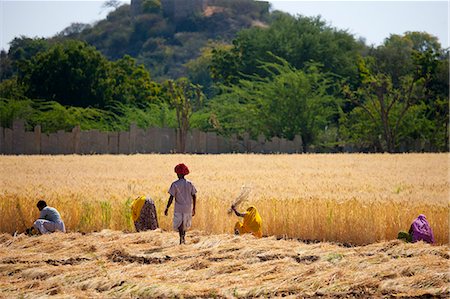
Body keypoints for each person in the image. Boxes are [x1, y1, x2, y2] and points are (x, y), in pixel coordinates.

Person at [165, 163, 197, 244]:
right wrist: (194, 208)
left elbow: (171, 197)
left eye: (177, 173)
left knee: (180, 224)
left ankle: (181, 239)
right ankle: (183, 239)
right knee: (185, 224)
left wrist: (167, 208)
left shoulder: (175, 184)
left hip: (178, 208)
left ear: (179, 174)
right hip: (188, 208)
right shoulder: (190, 183)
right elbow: (194, 195)